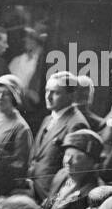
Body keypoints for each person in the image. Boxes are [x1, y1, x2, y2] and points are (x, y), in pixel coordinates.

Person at [28, 72, 90, 200]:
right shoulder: (48, 119)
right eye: (47, 91)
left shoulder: (76, 124)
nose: (48, 97)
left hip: (50, 194)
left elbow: (71, 170)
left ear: (71, 96)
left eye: (56, 92)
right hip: (35, 189)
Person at [43, 129, 105, 209]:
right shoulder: (61, 175)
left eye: (77, 157)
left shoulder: (97, 192)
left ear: (92, 162)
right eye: (67, 155)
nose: (68, 161)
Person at [0, 72, 35, 198]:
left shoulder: (20, 128)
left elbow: (20, 166)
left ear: (14, 98)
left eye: (6, 93)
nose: (0, 97)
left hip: (2, 188)